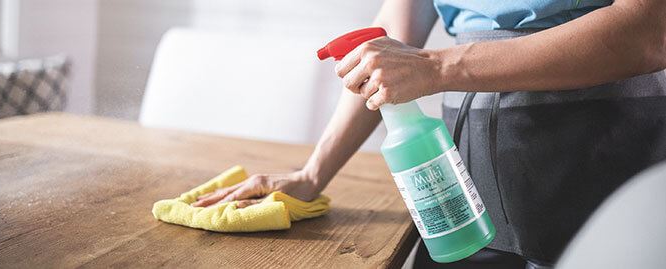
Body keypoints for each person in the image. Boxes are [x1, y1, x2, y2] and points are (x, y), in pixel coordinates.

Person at [192, 0, 666, 267]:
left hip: (604, 156)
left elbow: (649, 30)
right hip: (472, 165)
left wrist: (436, 66)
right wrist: (313, 174)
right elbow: (388, 38)